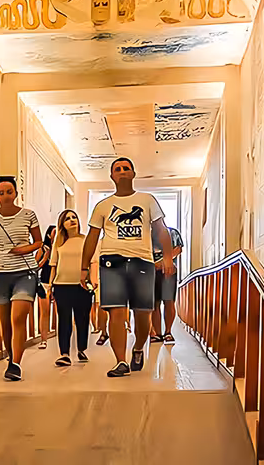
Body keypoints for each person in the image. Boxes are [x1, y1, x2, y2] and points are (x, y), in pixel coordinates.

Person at [81, 157, 175, 378]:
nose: (122, 171)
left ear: (133, 174)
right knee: (116, 311)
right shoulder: (102, 206)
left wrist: (168, 257)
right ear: (112, 176)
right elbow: (92, 237)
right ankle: (120, 361)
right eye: (117, 169)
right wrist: (84, 267)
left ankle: (138, 348)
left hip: (142, 261)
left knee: (143, 314)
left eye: (126, 168)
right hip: (111, 262)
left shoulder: (147, 200)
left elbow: (161, 229)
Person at [0, 176, 43, 381]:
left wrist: (24, 249)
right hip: (1, 274)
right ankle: (11, 356)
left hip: (25, 273)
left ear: (16, 193)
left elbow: (39, 242)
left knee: (17, 318)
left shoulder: (28, 215)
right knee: (4, 323)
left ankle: (16, 364)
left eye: (9, 192)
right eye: (1, 193)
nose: (6, 196)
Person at [47, 209, 93, 365]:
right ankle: (64, 353)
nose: (72, 220)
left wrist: (93, 282)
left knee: (82, 319)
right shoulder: (59, 243)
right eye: (67, 219)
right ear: (62, 224)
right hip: (62, 285)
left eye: (74, 217)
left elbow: (92, 262)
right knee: (64, 319)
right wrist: (50, 286)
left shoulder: (86, 240)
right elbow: (53, 265)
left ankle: (81, 349)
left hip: (82, 286)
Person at [150, 223, 185, 343]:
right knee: (154, 303)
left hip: (168, 271)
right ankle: (157, 333)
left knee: (169, 301)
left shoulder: (172, 232)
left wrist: (163, 261)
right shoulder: (147, 234)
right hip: (151, 271)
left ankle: (168, 332)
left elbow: (178, 249)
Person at [37, 224, 58, 349]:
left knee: (60, 312)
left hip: (58, 282)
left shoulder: (61, 248)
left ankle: (62, 339)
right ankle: (43, 340)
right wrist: (45, 258)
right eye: (54, 232)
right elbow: (35, 266)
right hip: (44, 282)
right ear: (49, 235)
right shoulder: (43, 248)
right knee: (44, 313)